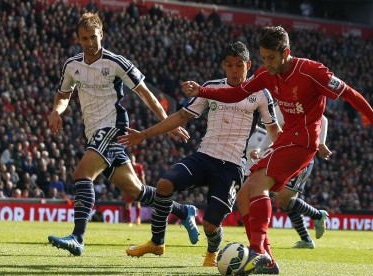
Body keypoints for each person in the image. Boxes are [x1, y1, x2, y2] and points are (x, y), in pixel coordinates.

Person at [182, 26, 373, 274]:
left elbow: (350, 94)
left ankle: (257, 251)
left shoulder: (312, 72)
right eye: (263, 57)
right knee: (244, 194)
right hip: (286, 139)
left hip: (304, 141)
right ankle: (268, 261)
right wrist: (201, 90)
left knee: (257, 186)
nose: (267, 63)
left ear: (286, 52)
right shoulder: (267, 73)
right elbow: (237, 94)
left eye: (271, 58)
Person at [47, 11, 199, 257]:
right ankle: (184, 211)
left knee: (82, 174)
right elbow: (64, 94)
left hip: (113, 127)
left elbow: (147, 95)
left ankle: (77, 237)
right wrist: (56, 111)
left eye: (93, 37)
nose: (90, 43)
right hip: (93, 132)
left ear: (101, 35)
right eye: (84, 38)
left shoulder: (116, 63)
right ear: (78, 39)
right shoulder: (72, 65)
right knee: (136, 191)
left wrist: (167, 123)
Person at [118, 41, 281, 266]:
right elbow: (181, 116)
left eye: (239, 65)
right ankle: (157, 243)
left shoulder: (261, 95)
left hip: (232, 166)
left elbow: (274, 130)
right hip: (204, 156)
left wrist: (286, 151)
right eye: (230, 65)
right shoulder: (211, 87)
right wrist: (144, 134)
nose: (235, 70)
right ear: (224, 65)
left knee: (210, 225)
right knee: (164, 184)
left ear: (249, 65)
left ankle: (212, 252)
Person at [246, 111, 332, 250]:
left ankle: (318, 216)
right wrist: (259, 148)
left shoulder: (294, 100)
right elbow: (272, 129)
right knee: (284, 201)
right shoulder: (279, 105)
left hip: (302, 156)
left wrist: (321, 143)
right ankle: (307, 238)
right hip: (283, 154)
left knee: (283, 199)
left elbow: (323, 119)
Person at [124, 153, 145, 226]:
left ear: (135, 159)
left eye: (133, 158)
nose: (132, 160)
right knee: (128, 204)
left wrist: (144, 186)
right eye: (131, 158)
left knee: (137, 203)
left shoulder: (139, 166)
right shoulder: (127, 167)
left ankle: (138, 219)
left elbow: (142, 177)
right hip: (129, 187)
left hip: (137, 187)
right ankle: (129, 221)